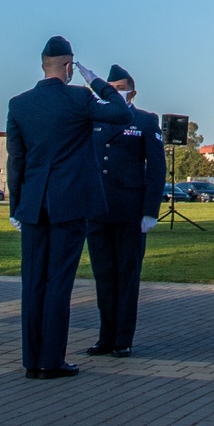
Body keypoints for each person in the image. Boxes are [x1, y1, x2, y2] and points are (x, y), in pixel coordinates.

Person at [6, 37, 129, 379]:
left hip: (33, 205)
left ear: (42, 63)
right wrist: (96, 81)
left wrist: (17, 204)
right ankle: (51, 360)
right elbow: (120, 111)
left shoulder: (19, 104)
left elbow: (16, 159)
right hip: (68, 203)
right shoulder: (78, 98)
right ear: (68, 66)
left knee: (32, 282)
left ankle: (32, 360)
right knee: (59, 281)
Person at [81, 63, 166, 359]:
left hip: (130, 210)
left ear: (132, 91)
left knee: (127, 275)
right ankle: (105, 337)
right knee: (103, 275)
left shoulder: (144, 121)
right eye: (111, 88)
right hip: (98, 209)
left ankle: (123, 339)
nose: (115, 93)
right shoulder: (96, 119)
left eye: (120, 89)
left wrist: (150, 211)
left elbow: (156, 169)